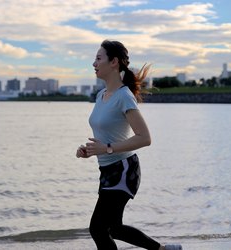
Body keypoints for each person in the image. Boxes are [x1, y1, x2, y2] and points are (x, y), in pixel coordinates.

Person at [76, 40, 182, 250]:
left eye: (98, 58)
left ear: (114, 62)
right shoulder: (101, 95)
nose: (93, 63)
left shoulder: (124, 96)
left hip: (124, 169)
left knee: (98, 229)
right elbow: (107, 134)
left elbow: (144, 138)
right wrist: (90, 151)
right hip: (107, 169)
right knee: (113, 228)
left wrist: (107, 147)